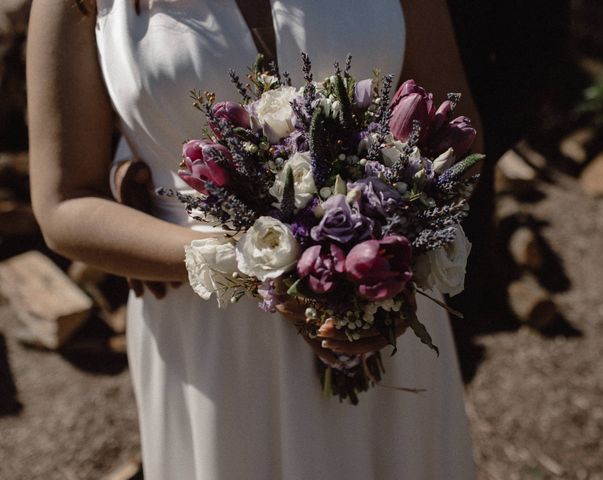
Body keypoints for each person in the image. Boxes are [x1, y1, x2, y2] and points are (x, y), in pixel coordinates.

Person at [27, 1, 482, 478]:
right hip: (214, 331)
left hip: (387, 296)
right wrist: (267, 262)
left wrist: (387, 240)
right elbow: (64, 204)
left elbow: (460, 132)